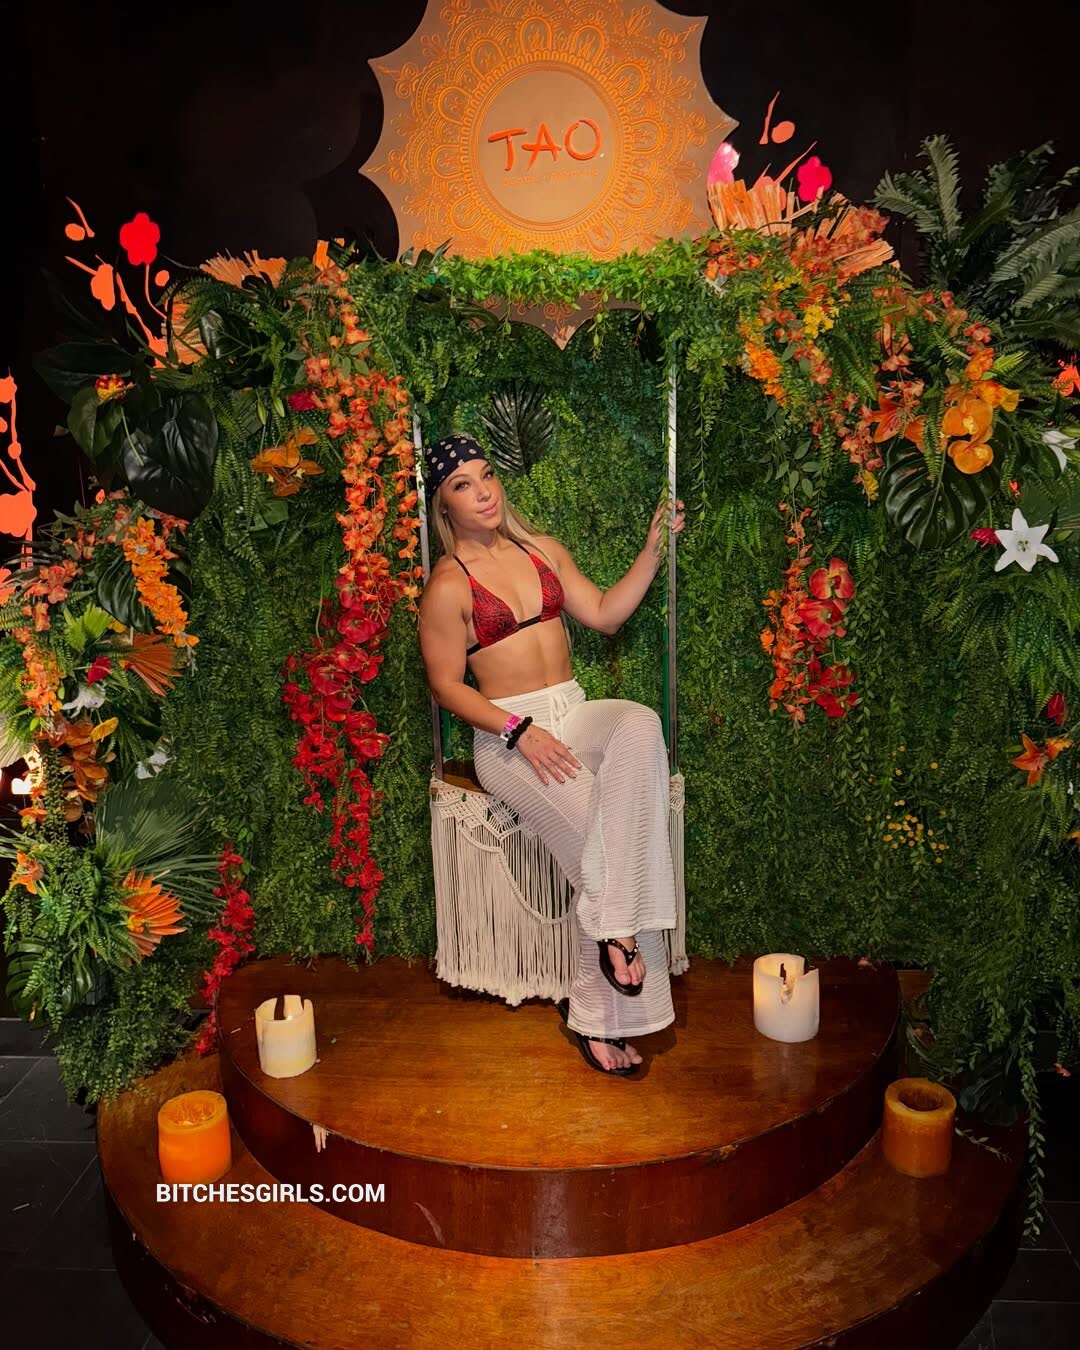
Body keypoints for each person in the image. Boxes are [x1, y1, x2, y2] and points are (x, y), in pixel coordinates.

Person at [417, 433, 686, 1075]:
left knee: (640, 725)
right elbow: (446, 685)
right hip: (508, 736)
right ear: (444, 505)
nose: (483, 492)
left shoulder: (542, 549)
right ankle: (598, 1015)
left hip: (573, 709)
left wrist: (653, 551)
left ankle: (615, 929)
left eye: (486, 476)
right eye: (462, 485)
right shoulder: (447, 586)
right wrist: (517, 730)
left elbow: (606, 615)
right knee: (605, 834)